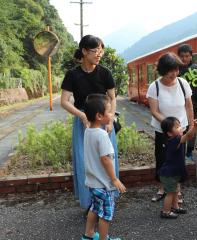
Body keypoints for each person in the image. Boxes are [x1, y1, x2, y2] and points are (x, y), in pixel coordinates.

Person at [60, 35, 119, 211]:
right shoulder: (72, 74)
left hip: (104, 122)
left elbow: (113, 98)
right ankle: (90, 205)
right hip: (83, 125)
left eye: (101, 50)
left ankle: (108, 198)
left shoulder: (105, 72)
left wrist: (111, 119)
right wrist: (82, 116)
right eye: (95, 50)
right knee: (85, 162)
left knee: (108, 159)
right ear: (84, 51)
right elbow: (64, 101)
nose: (99, 54)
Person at [146, 52, 193, 203]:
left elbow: (189, 106)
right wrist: (170, 124)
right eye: (170, 71)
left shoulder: (182, 83)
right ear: (162, 71)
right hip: (163, 130)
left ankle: (176, 190)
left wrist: (191, 125)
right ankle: (162, 188)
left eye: (177, 69)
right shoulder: (155, 87)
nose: (175, 73)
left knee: (178, 160)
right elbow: (154, 111)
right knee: (162, 159)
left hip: (181, 130)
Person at [81, 94, 126, 240]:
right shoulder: (102, 135)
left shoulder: (89, 131)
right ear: (99, 116)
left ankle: (88, 234)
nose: (112, 114)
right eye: (109, 111)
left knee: (94, 208)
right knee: (106, 215)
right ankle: (103, 238)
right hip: (104, 184)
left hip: (93, 183)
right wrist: (114, 179)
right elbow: (106, 159)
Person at [158, 117, 197, 218]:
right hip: (169, 174)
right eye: (177, 127)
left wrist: (193, 128)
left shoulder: (174, 139)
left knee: (176, 190)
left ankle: (175, 207)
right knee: (170, 193)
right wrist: (193, 127)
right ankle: (166, 212)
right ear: (169, 133)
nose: (180, 128)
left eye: (179, 125)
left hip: (173, 173)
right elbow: (189, 135)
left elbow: (188, 136)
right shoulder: (175, 140)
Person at [177, 44, 197, 161]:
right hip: (178, 104)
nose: (184, 58)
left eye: (187, 56)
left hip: (193, 103)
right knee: (180, 128)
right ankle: (180, 150)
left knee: (192, 128)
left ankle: (189, 151)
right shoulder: (175, 68)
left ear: (191, 56)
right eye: (182, 56)